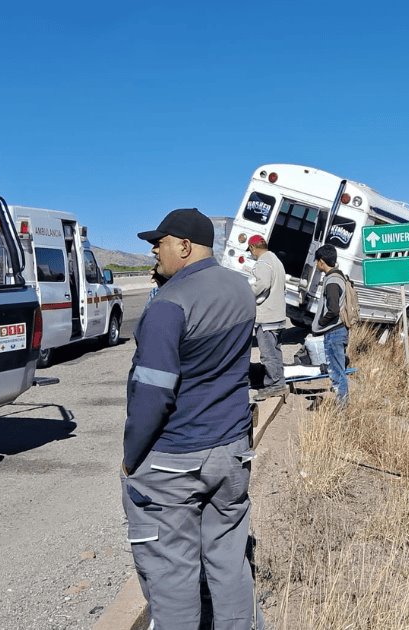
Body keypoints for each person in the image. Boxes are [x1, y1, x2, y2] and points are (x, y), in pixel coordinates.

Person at [122, 207, 261, 629]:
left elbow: (154, 393)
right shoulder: (240, 287)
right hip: (232, 452)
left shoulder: (169, 304)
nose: (153, 252)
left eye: (159, 243)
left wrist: (131, 457)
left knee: (172, 575)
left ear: (184, 245)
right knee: (230, 561)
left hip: (174, 459)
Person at [247, 235, 287, 399]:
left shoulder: (263, 262)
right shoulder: (275, 260)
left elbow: (262, 283)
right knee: (276, 352)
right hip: (277, 314)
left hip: (266, 317)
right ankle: (279, 382)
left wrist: (247, 294)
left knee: (268, 354)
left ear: (252, 248)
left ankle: (274, 385)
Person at [311, 244, 350, 402]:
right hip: (339, 330)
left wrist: (320, 323)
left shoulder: (332, 281)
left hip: (334, 332)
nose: (316, 264)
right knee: (338, 370)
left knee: (336, 372)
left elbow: (333, 310)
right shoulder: (339, 277)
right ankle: (342, 404)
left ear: (321, 261)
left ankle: (341, 409)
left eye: (316, 261)